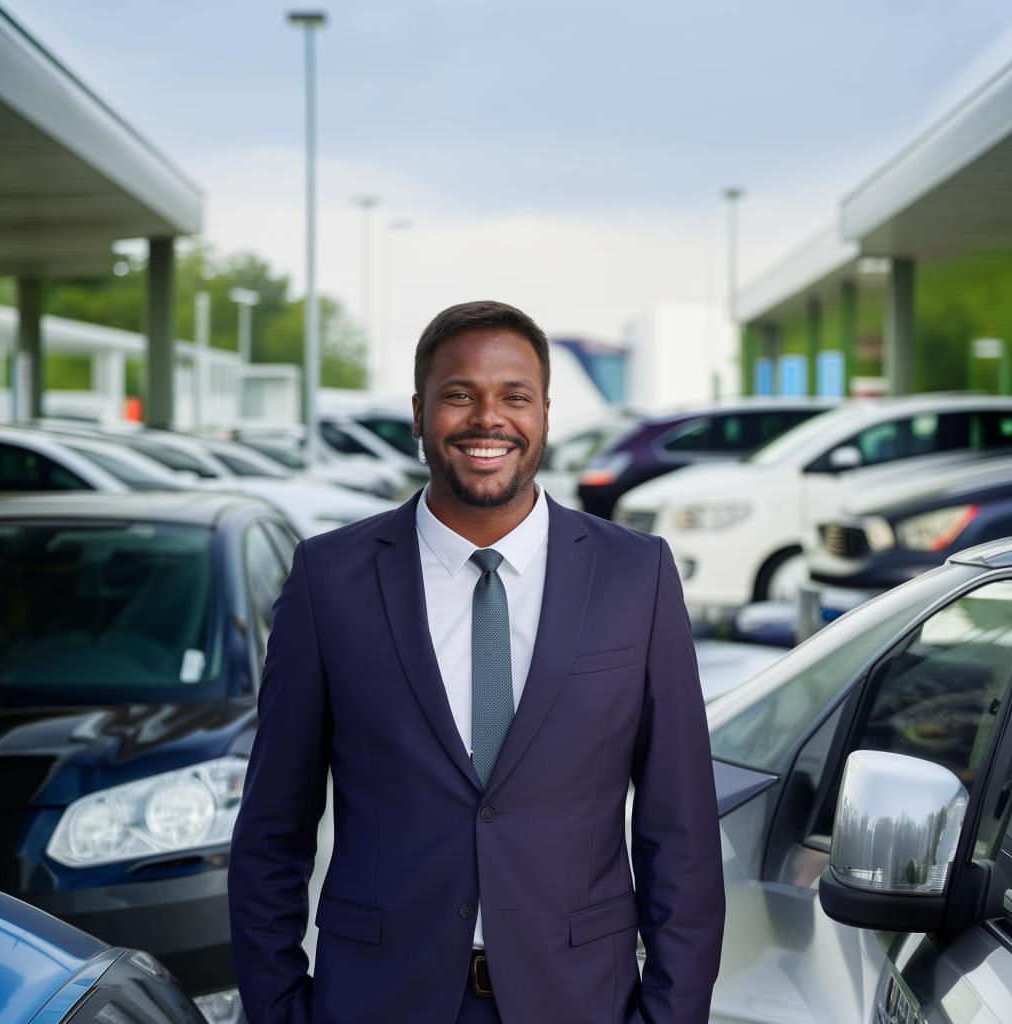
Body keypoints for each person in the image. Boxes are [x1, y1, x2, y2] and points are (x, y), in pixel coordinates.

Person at [228, 300, 725, 1024]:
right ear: (420, 413)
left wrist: (670, 1015)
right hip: (377, 1001)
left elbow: (679, 827)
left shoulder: (635, 575)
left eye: (514, 397)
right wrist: (278, 1010)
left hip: (579, 1001)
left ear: (545, 414)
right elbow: (272, 829)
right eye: (459, 395)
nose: (487, 419)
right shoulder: (328, 580)